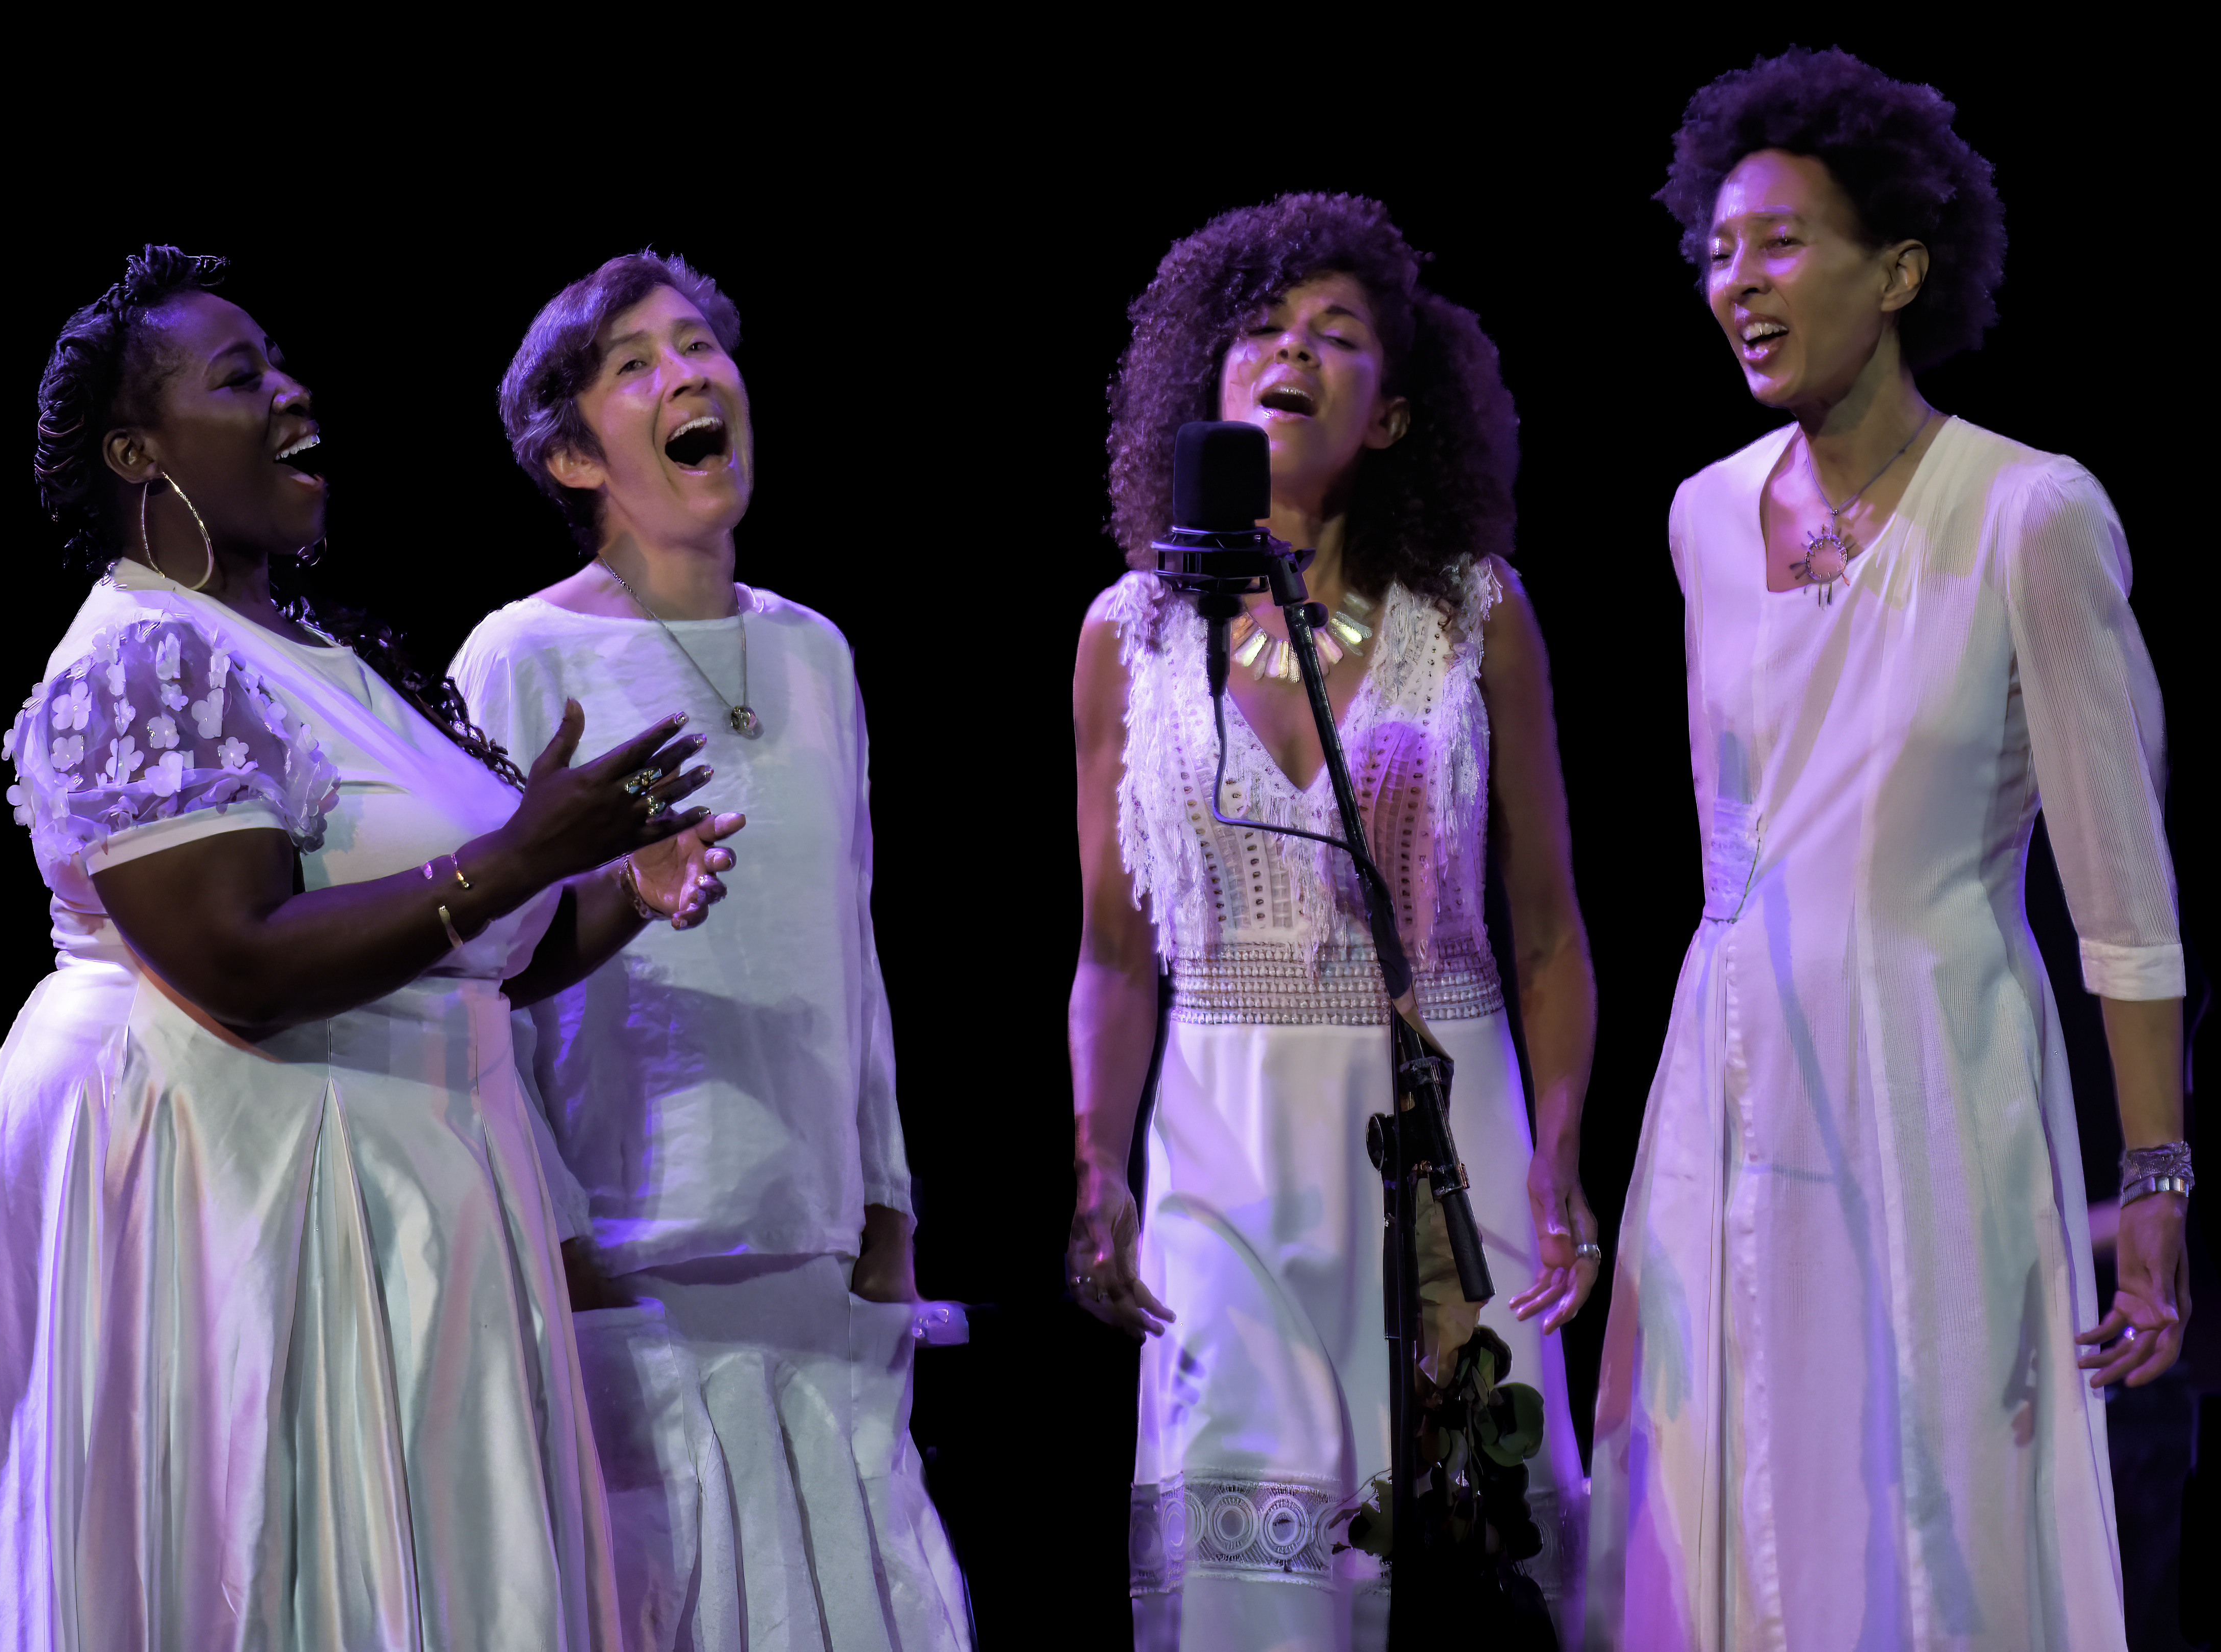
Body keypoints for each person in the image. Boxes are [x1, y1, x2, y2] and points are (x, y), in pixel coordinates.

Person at [0, 246, 745, 1649]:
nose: (291, 389)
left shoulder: (320, 656)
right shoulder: (146, 657)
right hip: (232, 1187)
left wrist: (617, 891)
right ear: (138, 450)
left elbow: (474, 944)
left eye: (283, 363)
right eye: (239, 376)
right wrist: (522, 854)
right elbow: (236, 961)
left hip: (405, 1176)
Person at [1585, 49, 2190, 1650]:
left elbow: (2122, 892)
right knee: (1725, 1503)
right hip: (1724, 1078)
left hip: (1934, 1074)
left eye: (1780, 242)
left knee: (1920, 1515)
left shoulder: (2027, 514)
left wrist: (2156, 1181)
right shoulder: (1702, 518)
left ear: (1900, 270)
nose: (1738, 282)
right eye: (1718, 250)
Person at [1069, 194, 1600, 1650]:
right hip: (1225, 1142)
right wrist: (1094, 1163)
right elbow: (1115, 957)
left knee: (1484, 1565)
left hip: (1449, 1131)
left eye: (1335, 335)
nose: (1290, 350)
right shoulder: (1134, 633)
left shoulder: (1475, 613)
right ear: (1211, 384)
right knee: (1264, 1583)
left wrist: (1557, 1155)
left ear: (1392, 416)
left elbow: (1547, 931)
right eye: (1259, 330)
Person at [451, 249, 971, 1652]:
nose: (690, 375)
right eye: (637, 364)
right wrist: (559, 1238)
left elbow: (851, 945)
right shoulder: (518, 659)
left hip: (815, 1251)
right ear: (570, 454)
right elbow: (484, 978)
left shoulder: (815, 653)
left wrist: (890, 1205)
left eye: (700, 346)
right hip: (641, 1258)